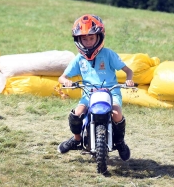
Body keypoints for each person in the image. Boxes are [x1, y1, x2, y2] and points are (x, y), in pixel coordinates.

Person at [57, 14, 134, 161]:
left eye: (91, 38)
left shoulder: (109, 54)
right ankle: (77, 139)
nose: (87, 42)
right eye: (84, 39)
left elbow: (128, 71)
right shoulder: (79, 59)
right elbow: (62, 77)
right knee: (77, 113)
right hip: (88, 94)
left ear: (99, 37)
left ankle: (120, 142)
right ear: (78, 40)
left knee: (117, 114)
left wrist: (129, 80)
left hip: (111, 93)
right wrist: (66, 81)